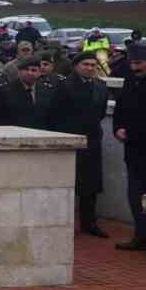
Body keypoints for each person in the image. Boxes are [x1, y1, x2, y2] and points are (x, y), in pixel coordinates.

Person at [46, 52, 111, 238]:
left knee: (90, 184)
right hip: (69, 138)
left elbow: (100, 112)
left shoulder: (100, 85)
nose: (90, 68)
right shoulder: (65, 86)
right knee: (67, 182)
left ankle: (89, 222)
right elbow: (54, 114)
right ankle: (61, 222)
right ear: (76, 66)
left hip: (92, 139)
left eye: (93, 65)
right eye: (86, 64)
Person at [113, 42, 146, 254]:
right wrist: (117, 128)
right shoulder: (130, 80)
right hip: (133, 150)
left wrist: (135, 134)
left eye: (139, 63)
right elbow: (120, 107)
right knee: (135, 195)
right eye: (132, 63)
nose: (134, 67)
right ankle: (142, 235)